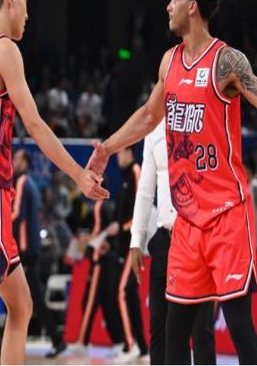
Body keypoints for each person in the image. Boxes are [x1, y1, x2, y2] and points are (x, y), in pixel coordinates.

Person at [86, 0, 257, 365]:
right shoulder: (169, 62)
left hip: (226, 214)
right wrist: (107, 148)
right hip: (187, 223)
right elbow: (148, 116)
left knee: (240, 325)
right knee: (176, 331)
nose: (168, 6)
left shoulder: (227, 61)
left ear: (192, 6)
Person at [0, 0, 108, 365]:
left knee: (21, 305)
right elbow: (34, 124)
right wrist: (79, 174)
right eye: (26, 4)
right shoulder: (5, 49)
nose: (28, 15)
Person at [130, 120, 216, 365]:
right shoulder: (153, 128)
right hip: (164, 237)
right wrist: (136, 240)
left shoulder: (201, 120)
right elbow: (145, 190)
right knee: (159, 326)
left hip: (196, 236)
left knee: (201, 330)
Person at [12, 149, 67, 358]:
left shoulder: (22, 182)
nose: (13, 162)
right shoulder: (31, 183)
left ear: (25, 163)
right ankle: (5, 343)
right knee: (18, 297)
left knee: (31, 298)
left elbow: (17, 215)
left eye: (17, 159)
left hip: (24, 250)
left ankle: (57, 339)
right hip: (31, 248)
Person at [70, 194, 125, 359]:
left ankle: (83, 342)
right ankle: (119, 341)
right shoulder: (104, 207)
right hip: (107, 260)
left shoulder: (100, 206)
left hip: (101, 261)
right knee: (107, 302)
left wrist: (87, 242)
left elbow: (99, 235)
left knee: (90, 301)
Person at [111, 145, 149, 363]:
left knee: (122, 291)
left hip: (131, 244)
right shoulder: (124, 176)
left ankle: (131, 343)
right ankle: (142, 346)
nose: (118, 156)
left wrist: (124, 228)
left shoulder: (135, 171)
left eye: (120, 152)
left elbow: (140, 209)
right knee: (130, 295)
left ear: (129, 153)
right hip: (121, 244)